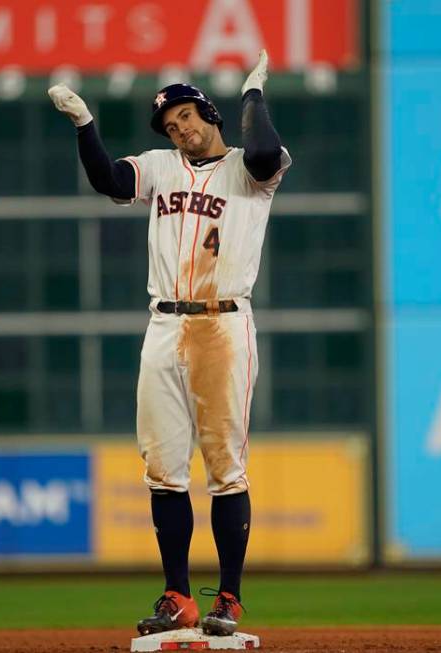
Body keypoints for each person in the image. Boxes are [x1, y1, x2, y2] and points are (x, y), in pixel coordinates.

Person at [49, 50, 290, 637]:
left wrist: (253, 94)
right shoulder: (160, 166)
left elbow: (261, 153)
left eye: (184, 116)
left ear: (208, 112)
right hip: (164, 324)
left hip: (223, 323)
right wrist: (86, 126)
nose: (178, 129)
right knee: (162, 468)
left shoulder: (250, 170)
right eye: (170, 124)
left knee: (226, 469)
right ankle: (177, 595)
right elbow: (110, 180)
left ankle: (228, 598)